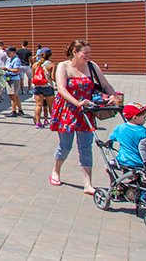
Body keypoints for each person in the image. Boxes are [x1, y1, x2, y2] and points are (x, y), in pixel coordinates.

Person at [50, 40, 122, 194]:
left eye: (90, 52)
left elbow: (105, 85)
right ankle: (56, 170)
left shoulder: (92, 66)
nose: (88, 55)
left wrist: (113, 96)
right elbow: (61, 88)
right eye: (85, 53)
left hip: (86, 111)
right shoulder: (63, 66)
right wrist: (77, 103)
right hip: (67, 110)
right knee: (65, 147)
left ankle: (88, 184)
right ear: (74, 52)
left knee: (85, 148)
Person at [108, 103, 146, 168]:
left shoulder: (120, 128)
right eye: (144, 117)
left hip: (123, 160)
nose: (145, 119)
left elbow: (112, 137)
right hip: (140, 161)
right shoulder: (144, 131)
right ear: (135, 118)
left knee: (108, 165)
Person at [32, 47, 56, 128]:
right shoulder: (51, 65)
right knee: (51, 106)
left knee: (38, 105)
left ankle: (38, 122)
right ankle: (52, 122)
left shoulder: (35, 64)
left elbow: (33, 76)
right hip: (47, 86)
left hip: (37, 87)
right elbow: (53, 78)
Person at [3, 47, 24, 117]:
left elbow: (17, 70)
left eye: (9, 52)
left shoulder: (16, 60)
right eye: (7, 52)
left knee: (13, 96)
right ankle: (20, 110)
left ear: (14, 52)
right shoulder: (8, 59)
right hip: (9, 78)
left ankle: (14, 111)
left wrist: (7, 69)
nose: (8, 54)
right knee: (14, 95)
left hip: (14, 78)